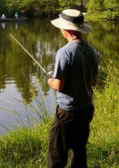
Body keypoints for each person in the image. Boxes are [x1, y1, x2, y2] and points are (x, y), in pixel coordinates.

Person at [47, 9, 98, 168]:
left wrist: (49, 79)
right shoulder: (92, 51)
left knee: (56, 153)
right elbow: (94, 82)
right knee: (79, 149)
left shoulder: (64, 52)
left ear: (66, 29)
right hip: (87, 108)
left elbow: (58, 85)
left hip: (68, 112)